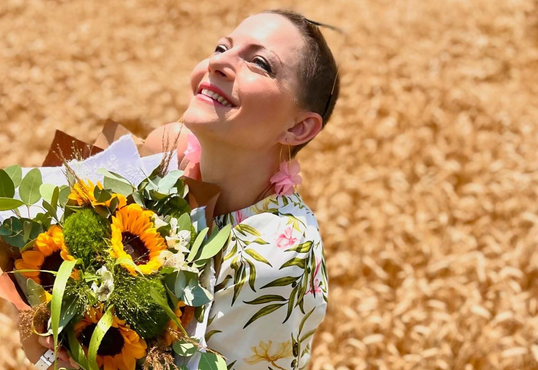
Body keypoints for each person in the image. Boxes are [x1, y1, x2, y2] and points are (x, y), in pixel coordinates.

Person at [21, 8, 340, 370]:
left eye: (260, 63)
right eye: (222, 47)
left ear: (298, 129)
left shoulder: (278, 258)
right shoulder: (169, 150)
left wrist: (58, 360)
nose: (218, 64)